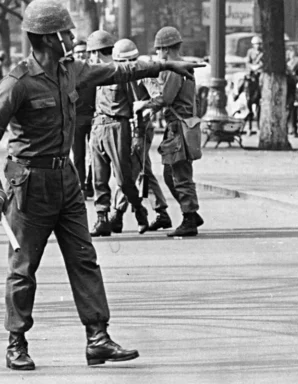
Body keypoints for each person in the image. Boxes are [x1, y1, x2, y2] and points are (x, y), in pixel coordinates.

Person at [0, 0, 203, 370]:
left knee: (85, 259)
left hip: (67, 181)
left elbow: (119, 71)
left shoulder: (70, 70)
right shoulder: (18, 83)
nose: (71, 37)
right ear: (45, 39)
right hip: (30, 185)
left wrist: (167, 64)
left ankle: (98, 339)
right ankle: (16, 343)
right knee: (23, 268)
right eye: (65, 33)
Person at [134, 26, 203, 237]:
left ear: (165, 49)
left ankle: (190, 217)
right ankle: (190, 212)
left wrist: (143, 106)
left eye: (158, 50)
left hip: (178, 128)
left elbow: (166, 98)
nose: (157, 55)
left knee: (179, 174)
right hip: (181, 125)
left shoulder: (175, 70)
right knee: (171, 172)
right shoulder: (181, 67)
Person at [86, 30, 150, 236]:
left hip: (117, 126)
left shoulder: (120, 73)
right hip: (98, 126)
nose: (91, 57)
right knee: (98, 177)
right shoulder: (94, 72)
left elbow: (137, 105)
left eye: (93, 53)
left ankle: (139, 209)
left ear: (100, 53)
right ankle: (102, 218)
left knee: (123, 179)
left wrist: (138, 134)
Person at [109, 38, 172, 233]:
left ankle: (117, 213)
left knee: (128, 172)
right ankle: (161, 211)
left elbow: (158, 96)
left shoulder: (143, 73)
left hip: (138, 129)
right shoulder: (124, 74)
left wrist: (144, 107)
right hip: (128, 128)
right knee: (143, 170)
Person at [72, 40, 95, 199]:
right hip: (76, 119)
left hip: (94, 119)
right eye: (78, 52)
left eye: (83, 51)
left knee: (95, 155)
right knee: (78, 155)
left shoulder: (94, 70)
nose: (81, 54)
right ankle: (81, 186)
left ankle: (90, 183)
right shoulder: (69, 73)